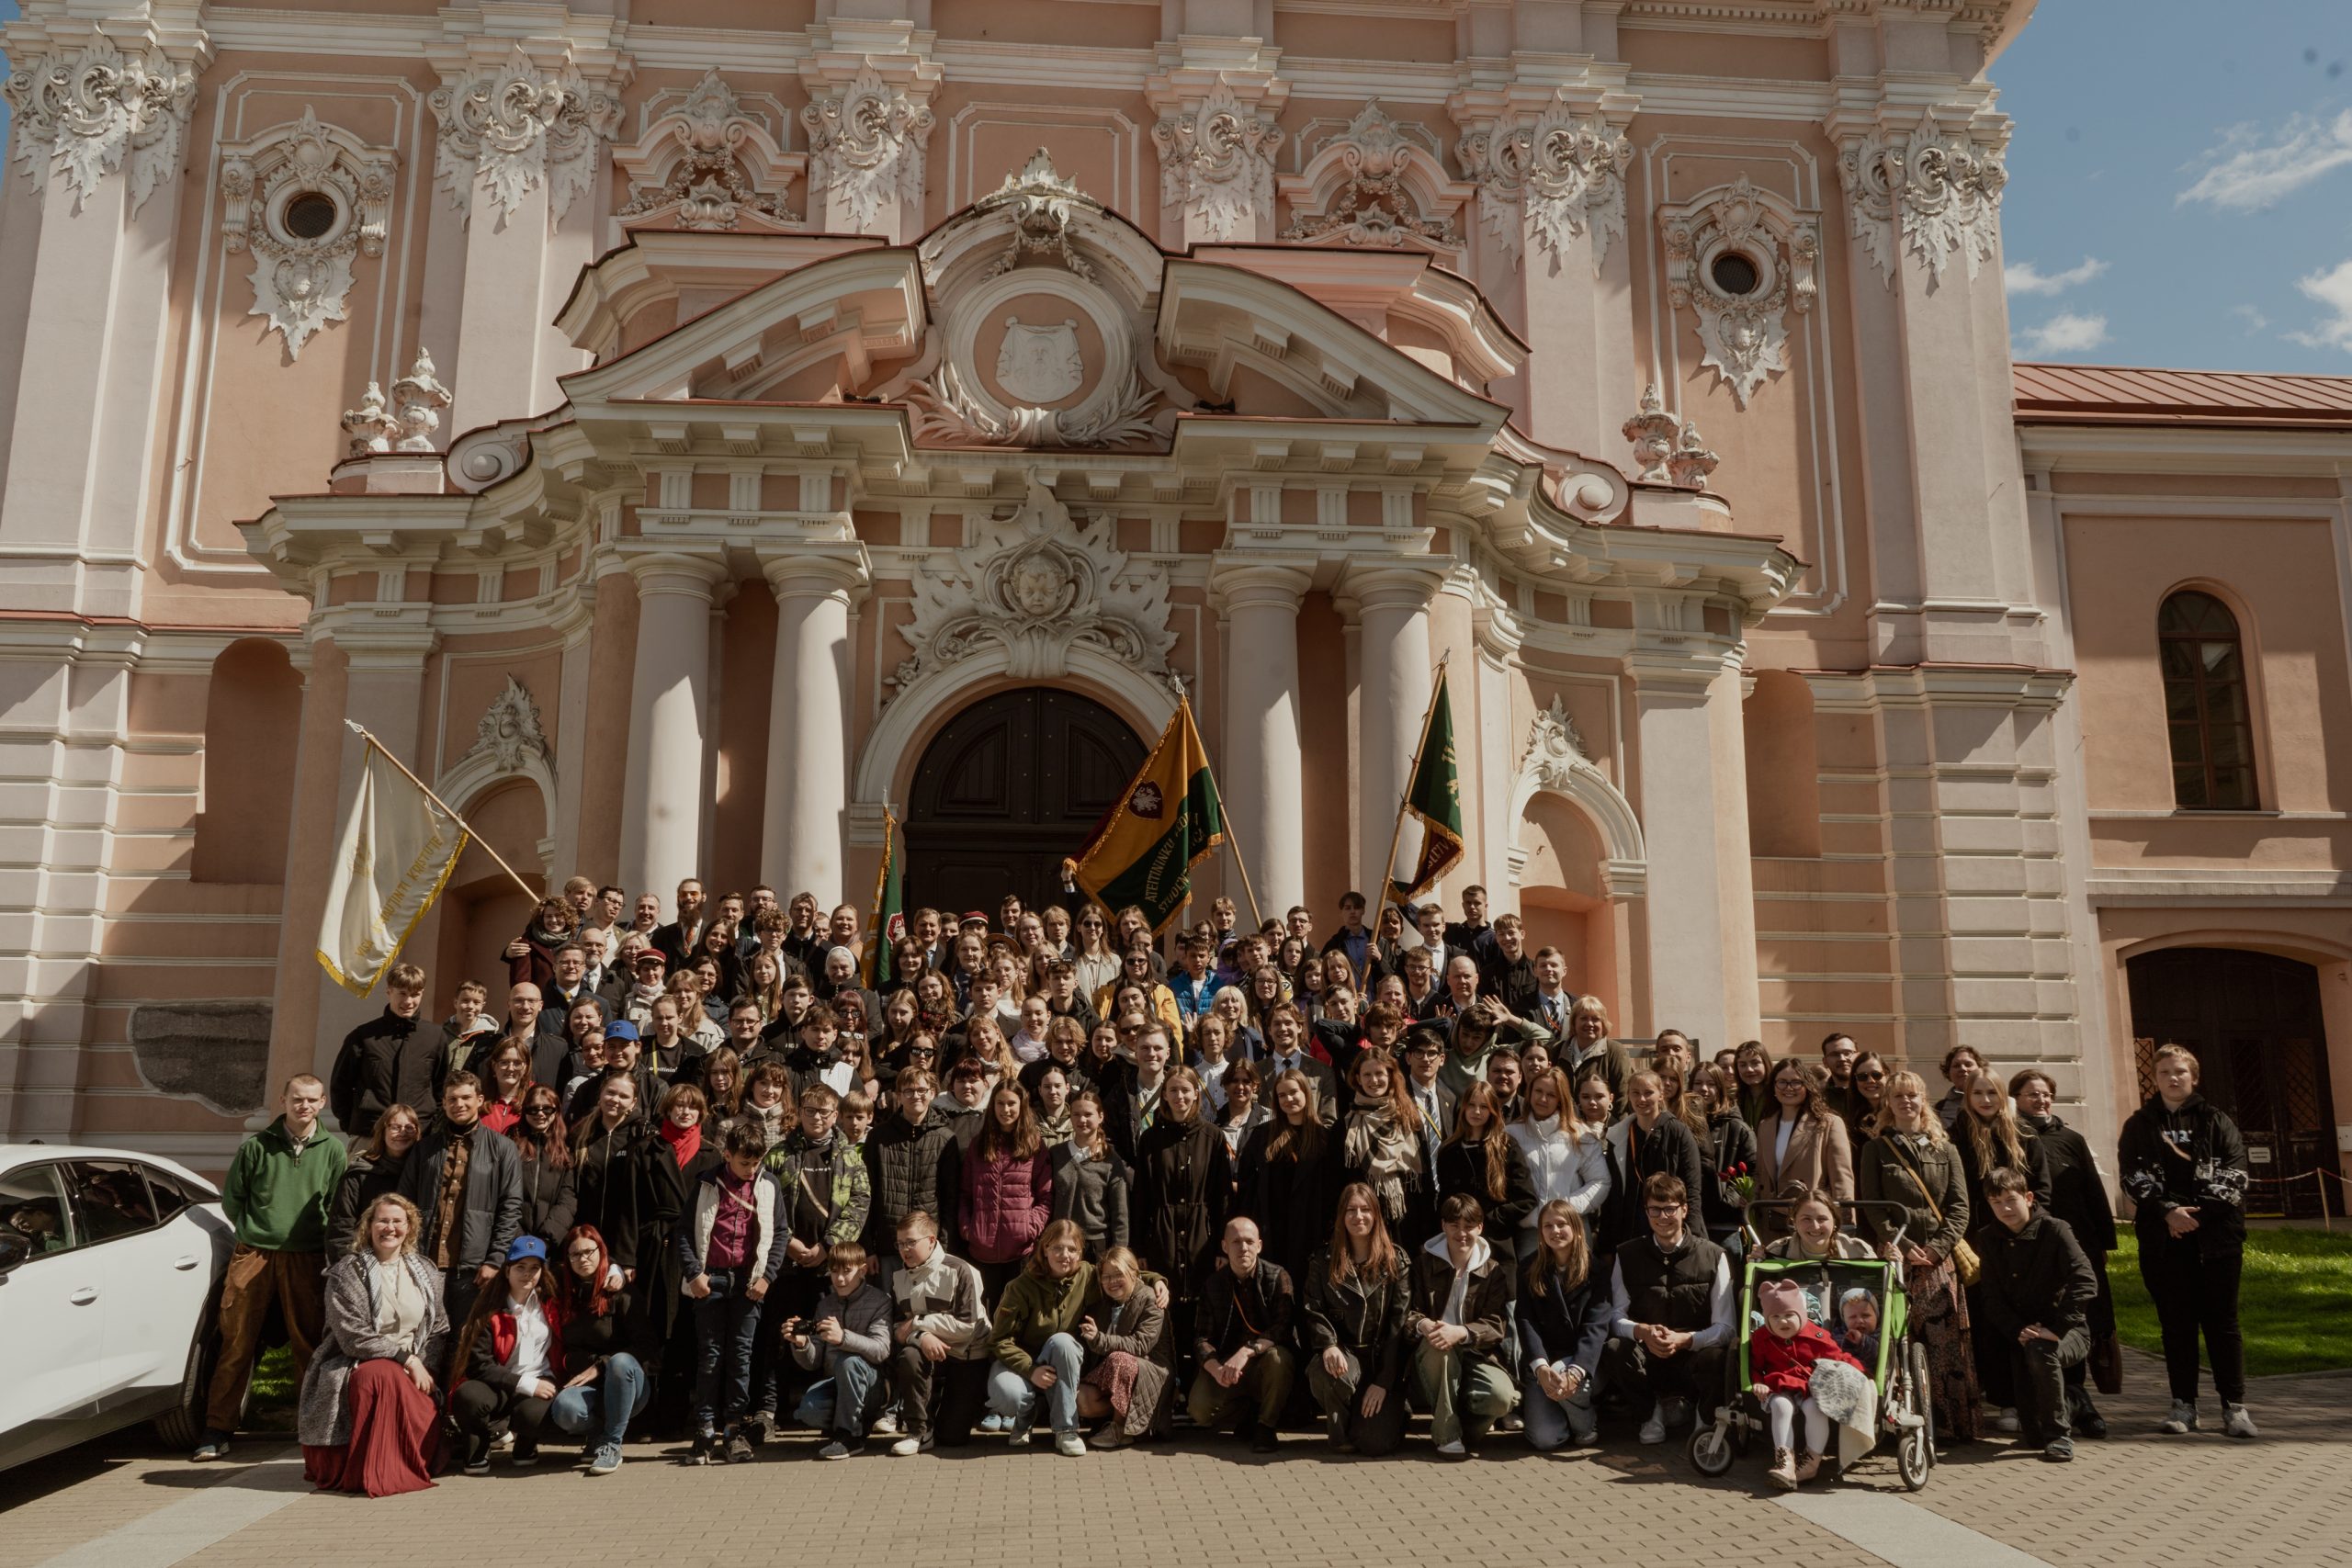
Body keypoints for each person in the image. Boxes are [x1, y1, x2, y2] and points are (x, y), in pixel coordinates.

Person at [192, 1074, 346, 1461]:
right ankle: (217, 1428)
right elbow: (234, 1198)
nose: (304, 1106)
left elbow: (337, 1202)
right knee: (237, 1341)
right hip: (255, 1254)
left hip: (306, 1257)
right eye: (297, 1099)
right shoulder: (257, 1146)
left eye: (312, 1100)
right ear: (283, 1100)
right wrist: (256, 1230)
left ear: (323, 1102)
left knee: (308, 1344)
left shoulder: (333, 1150)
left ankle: (310, 1427)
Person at [2118, 1043, 2256, 1439]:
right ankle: (2184, 1406)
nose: (2172, 1078)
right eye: (2164, 1072)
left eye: (2180, 1071)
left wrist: (2192, 1219)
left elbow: (2235, 1177)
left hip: (2217, 1242)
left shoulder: (2217, 1121)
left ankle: (2234, 1407)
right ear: (2155, 1078)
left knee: (2223, 1324)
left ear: (2193, 1077)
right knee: (2176, 1325)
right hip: (2163, 1243)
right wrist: (2167, 1212)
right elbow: (2132, 1176)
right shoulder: (2139, 1124)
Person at [1855, 1070, 1980, 1443]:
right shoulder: (1876, 1149)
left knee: (1944, 1346)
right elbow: (1873, 1208)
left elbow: (1959, 1207)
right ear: (1888, 1104)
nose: (1906, 1102)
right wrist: (1905, 1245)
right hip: (1898, 1255)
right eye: (1898, 1097)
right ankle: (1897, 1422)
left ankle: (1949, 1424)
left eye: (1912, 1096)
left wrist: (1938, 1248)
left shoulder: (1946, 1148)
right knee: (1896, 1340)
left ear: (1922, 1100)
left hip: (1938, 1259)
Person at [299, 1193, 449, 1495]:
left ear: (409, 1228)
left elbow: (440, 1328)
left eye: (397, 1221)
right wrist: (405, 1360)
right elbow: (351, 1334)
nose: (389, 1228)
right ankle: (374, 1471)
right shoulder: (347, 1273)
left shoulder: (427, 1271)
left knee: (396, 1383)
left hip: (416, 1367)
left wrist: (424, 1365)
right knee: (379, 1375)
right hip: (354, 1362)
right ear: (369, 1226)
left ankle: (399, 1463)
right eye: (382, 1220)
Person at [2011, 1066, 2118, 1438]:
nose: (2040, 1100)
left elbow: (2093, 1193)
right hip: (2035, 1248)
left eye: (2045, 1094)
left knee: (2080, 1319)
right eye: (2031, 1094)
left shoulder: (2071, 1139)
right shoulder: (2012, 1138)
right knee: (2047, 1319)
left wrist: (2104, 1244)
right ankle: (2052, 1404)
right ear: (2017, 1100)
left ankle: (2078, 1396)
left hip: (2079, 1244)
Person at [1973, 1167, 2098, 1463]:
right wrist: (2018, 1329)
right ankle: (2074, 1402)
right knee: (2031, 1434)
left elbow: (2085, 1281)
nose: (2005, 1208)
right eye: (1996, 1202)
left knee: (2042, 1351)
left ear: (2028, 1198)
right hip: (2023, 1335)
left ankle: (2059, 1436)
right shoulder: (1988, 1238)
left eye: (2011, 1199)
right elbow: (1991, 1298)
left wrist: (2057, 1328)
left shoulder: (2055, 1230)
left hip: (2067, 1332)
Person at [680, 1119, 786, 1464]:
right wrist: (695, 1273)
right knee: (710, 1357)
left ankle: (734, 1429)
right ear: (727, 1154)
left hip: (748, 1283)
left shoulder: (768, 1185)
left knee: (741, 1358)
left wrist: (767, 1278)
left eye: (756, 1163)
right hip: (710, 1280)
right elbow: (684, 1232)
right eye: (744, 1162)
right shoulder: (706, 1184)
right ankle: (705, 1429)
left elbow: (781, 1234)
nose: (750, 1169)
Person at [1600, 1174, 1734, 1446]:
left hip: (1693, 1356)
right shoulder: (1626, 1255)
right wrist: (1642, 1331)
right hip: (1648, 1355)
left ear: (1684, 1210)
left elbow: (1726, 1328)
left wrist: (1687, 1340)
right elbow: (1614, 1318)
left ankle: (1704, 1416)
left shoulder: (1714, 1255)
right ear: (1646, 1212)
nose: (1663, 1217)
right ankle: (1650, 1414)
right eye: (1655, 1210)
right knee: (1614, 1348)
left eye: (1670, 1209)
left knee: (1719, 1358)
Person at [395, 1071, 524, 1343]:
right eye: (452, 1099)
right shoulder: (425, 1149)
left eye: (466, 1098)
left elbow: (510, 1207)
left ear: (480, 1100)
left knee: (464, 1339)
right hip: (425, 1261)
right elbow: (403, 1203)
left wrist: (494, 1259)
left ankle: (456, 1387)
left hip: (473, 1267)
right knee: (422, 1337)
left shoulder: (503, 1148)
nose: (459, 1104)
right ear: (443, 1103)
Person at [1297, 1182, 1408, 1455]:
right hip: (1345, 1359)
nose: (1358, 1216)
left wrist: (1383, 1381)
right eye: (1351, 1210)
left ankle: (1390, 1413)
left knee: (1375, 1443)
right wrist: (1328, 1345)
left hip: (1382, 1364)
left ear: (1376, 1215)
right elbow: (1313, 1309)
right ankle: (1339, 1435)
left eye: (1365, 1210)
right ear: (1341, 1216)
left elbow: (1399, 1326)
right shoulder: (1322, 1261)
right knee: (1327, 1373)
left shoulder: (1397, 1261)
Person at [1405, 1193, 1516, 1457]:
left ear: (1480, 1228)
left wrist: (1462, 1332)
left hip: (1476, 1354)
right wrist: (1424, 1325)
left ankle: (1456, 1426)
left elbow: (1496, 1325)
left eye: (1469, 1226)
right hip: (1432, 1351)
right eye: (1455, 1226)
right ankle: (1447, 1437)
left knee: (1502, 1397)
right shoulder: (1422, 1265)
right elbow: (1407, 1312)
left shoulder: (1493, 1271)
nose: (1462, 1233)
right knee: (1441, 1347)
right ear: (1443, 1226)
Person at [448, 1236, 567, 1473]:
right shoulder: (488, 1308)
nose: (527, 1274)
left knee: (534, 1414)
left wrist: (615, 1269)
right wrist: (524, 1384)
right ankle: (479, 1445)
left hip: (539, 1379)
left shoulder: (551, 1303)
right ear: (507, 1270)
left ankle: (525, 1444)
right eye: (520, 1267)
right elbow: (479, 1366)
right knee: (468, 1397)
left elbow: (585, 1267)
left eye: (535, 1268)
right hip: (496, 1383)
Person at [1131, 1065, 1231, 1345]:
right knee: (1166, 1310)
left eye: (1185, 1090)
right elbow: (1141, 1197)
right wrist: (1138, 1247)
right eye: (1173, 1090)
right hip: (1162, 1238)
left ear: (1196, 1093)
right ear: (1164, 1094)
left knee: (1201, 1314)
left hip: (1204, 1238)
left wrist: (1223, 1244)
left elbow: (1222, 1195)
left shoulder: (1213, 1137)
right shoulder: (1150, 1139)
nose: (1180, 1097)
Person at [984, 1219, 1095, 1455]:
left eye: (1072, 1249)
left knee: (1063, 1341)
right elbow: (999, 1340)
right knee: (1007, 1394)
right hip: (1021, 1364)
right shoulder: (1020, 1287)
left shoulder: (1088, 1275)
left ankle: (1066, 1429)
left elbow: (1122, 1276)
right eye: (1057, 1248)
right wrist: (1030, 1369)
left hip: (1062, 1360)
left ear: (1080, 1252)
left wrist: (1156, 1281)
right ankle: (1024, 1419)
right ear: (1044, 1249)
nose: (1064, 1255)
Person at [1186, 1215, 1295, 1452]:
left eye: (1249, 1241)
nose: (1243, 1248)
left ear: (1259, 1245)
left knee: (1280, 1359)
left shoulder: (1278, 1277)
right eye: (1235, 1242)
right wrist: (1215, 1369)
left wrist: (1247, 1352)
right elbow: (1201, 1338)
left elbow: (1282, 1328)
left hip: (1263, 1362)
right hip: (1227, 1367)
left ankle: (1266, 1426)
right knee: (1199, 1410)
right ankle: (1247, 1413)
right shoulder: (1212, 1285)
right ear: (1225, 1247)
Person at [886, 1211, 992, 1454]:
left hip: (967, 1355)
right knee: (909, 1357)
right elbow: (898, 1330)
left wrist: (918, 1323)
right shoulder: (898, 1277)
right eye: (900, 1243)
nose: (904, 1249)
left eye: (911, 1242)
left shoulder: (962, 1271)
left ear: (932, 1240)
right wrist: (922, 1336)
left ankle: (942, 1412)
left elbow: (967, 1327)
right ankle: (919, 1431)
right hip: (927, 1352)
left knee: (953, 1437)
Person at [1748, 1276, 1866, 1489]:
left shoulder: (1817, 1336)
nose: (1782, 1322)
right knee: (1780, 1405)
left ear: (1800, 1315)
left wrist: (1859, 1371)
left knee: (1815, 1408)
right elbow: (1755, 1366)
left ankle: (1812, 1461)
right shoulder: (1762, 1338)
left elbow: (1838, 1358)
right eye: (1775, 1317)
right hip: (1778, 1384)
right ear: (1767, 1319)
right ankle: (1785, 1461)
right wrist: (1758, 1382)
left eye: (1788, 1315)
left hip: (1809, 1386)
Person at [547, 1224, 646, 1474]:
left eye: (589, 1252)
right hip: (588, 1389)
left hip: (628, 1385)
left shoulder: (621, 1293)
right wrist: (579, 1363)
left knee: (620, 1362)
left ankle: (612, 1443)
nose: (583, 1259)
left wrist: (602, 1364)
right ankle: (597, 1435)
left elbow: (647, 1347)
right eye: (575, 1255)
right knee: (564, 1409)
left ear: (602, 1252)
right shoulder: (565, 1295)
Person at [785, 1241, 893, 1458]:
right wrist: (802, 1344)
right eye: (834, 1272)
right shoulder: (825, 1305)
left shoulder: (880, 1301)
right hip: (836, 1382)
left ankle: (850, 1436)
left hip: (872, 1384)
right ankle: (858, 1423)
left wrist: (843, 1337)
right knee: (808, 1411)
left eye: (847, 1271)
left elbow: (881, 1350)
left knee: (849, 1361)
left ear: (862, 1271)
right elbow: (813, 1362)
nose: (840, 1279)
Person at [1518, 1199, 1611, 1450]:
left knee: (1567, 1381)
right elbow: (1525, 1320)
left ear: (1577, 1228)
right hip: (1545, 1365)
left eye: (1561, 1224)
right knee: (1545, 1439)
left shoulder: (1597, 1270)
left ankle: (1584, 1423)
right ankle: (1569, 1416)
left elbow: (1596, 1326)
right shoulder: (1528, 1267)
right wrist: (1540, 1366)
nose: (1555, 1231)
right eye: (1547, 1226)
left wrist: (1576, 1371)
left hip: (1584, 1362)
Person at [959, 1081, 1055, 1298]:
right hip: (981, 1250)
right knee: (986, 1319)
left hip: (1020, 1251)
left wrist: (1029, 1228)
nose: (1006, 1110)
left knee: (1016, 1315)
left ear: (1022, 1106)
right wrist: (968, 1229)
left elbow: (1045, 1196)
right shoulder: (979, 1144)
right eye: (1000, 1103)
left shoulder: (1035, 1146)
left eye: (1011, 1103)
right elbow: (965, 1194)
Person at [1339, 1048, 1435, 1254]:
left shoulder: (1409, 1117)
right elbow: (1338, 1179)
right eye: (1367, 1074)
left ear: (1391, 1076)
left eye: (1380, 1073)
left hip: (1407, 1218)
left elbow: (1424, 1178)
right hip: (1363, 1221)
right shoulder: (1346, 1126)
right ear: (1358, 1078)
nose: (1374, 1080)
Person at [1075, 1245, 1173, 1448]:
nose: (1112, 1282)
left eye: (1118, 1274)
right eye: (1106, 1276)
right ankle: (1123, 1420)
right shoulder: (1103, 1302)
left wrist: (1099, 1339)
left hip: (1150, 1368)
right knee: (1081, 1400)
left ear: (1134, 1273)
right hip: (1113, 1372)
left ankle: (1119, 1429)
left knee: (1120, 1359)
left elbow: (1140, 1344)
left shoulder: (1151, 1299)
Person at [1600, 1069, 1706, 1254]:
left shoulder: (1678, 1132)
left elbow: (1692, 1188)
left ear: (1661, 1094)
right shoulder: (1619, 1136)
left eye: (1648, 1092)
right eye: (1635, 1093)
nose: (1641, 1099)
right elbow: (1613, 1194)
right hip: (1631, 1229)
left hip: (1669, 1225)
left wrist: (1692, 1235)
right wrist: (1607, 1244)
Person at [1509, 1067, 1610, 1260]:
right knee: (1532, 1286)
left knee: (1577, 1286)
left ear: (1561, 1099)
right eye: (1538, 1091)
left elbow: (1600, 1181)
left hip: (1573, 1229)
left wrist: (1566, 1209)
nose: (1543, 1099)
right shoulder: (1511, 1134)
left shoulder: (1581, 1134)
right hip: (1530, 1232)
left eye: (1551, 1094)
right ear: (1529, 1092)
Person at [329, 962, 435, 1139]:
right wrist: (352, 1123)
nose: (408, 1001)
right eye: (402, 994)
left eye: (415, 995)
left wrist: (428, 1123)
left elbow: (439, 1088)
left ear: (422, 994)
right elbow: (341, 1085)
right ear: (389, 992)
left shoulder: (435, 1037)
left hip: (418, 1135)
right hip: (370, 1133)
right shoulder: (362, 1037)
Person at [1750, 1058, 1855, 1237]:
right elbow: (1760, 1174)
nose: (1788, 1088)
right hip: (1773, 1223)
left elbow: (1841, 1178)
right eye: (1782, 1082)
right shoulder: (1765, 1126)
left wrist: (1846, 1224)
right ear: (1774, 1087)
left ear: (1808, 1086)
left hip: (1814, 1222)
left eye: (1796, 1082)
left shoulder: (1828, 1123)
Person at [1436, 1078, 1537, 1261]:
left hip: (1496, 1243)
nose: (1476, 1112)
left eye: (1483, 1107)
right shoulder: (1449, 1150)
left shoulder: (1506, 1146)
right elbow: (1444, 1199)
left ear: (1493, 1111)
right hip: (1457, 1242)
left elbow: (1526, 1198)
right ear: (1463, 1107)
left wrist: (1490, 1219)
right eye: (1472, 1105)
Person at [328, 1101, 421, 1257]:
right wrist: (347, 1265)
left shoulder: (424, 1173)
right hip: (364, 1260)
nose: (402, 1133)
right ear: (382, 1131)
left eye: (409, 1128)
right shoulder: (359, 1174)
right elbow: (341, 1225)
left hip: (411, 1261)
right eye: (395, 1127)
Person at [1049, 1091, 1129, 1256]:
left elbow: (1120, 1213)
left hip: (1097, 1245)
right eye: (1076, 1114)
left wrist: (1119, 1252)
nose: (1082, 1120)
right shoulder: (1056, 1154)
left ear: (1100, 1117)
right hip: (1061, 1242)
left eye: (1088, 1114)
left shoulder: (1111, 1161)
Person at [511, 1084, 577, 1253]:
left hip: (551, 1245)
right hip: (513, 1242)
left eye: (547, 1109)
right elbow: (502, 1195)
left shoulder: (568, 1150)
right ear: (525, 1112)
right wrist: (519, 1239)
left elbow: (568, 1199)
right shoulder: (511, 1147)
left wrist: (545, 1240)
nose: (540, 1114)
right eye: (533, 1109)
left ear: (556, 1111)